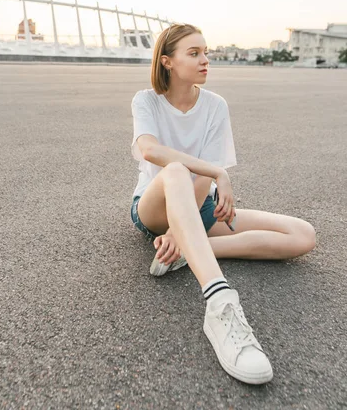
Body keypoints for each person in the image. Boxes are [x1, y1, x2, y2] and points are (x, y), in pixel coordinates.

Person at [130, 23, 316, 385]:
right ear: (167, 61)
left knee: (303, 235)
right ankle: (219, 301)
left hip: (198, 208)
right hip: (154, 205)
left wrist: (180, 234)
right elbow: (151, 150)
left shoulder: (215, 105)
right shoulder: (146, 99)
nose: (205, 60)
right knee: (177, 171)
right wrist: (217, 174)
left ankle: (191, 249)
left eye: (206, 52)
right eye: (194, 53)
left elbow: (202, 182)